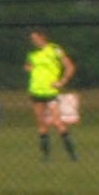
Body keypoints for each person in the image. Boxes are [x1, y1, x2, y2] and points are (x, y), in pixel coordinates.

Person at [25, 29, 76, 161]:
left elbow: (69, 66)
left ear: (43, 37)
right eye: (32, 39)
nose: (33, 41)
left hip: (50, 91)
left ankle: (72, 154)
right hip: (36, 91)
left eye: (35, 38)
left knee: (58, 122)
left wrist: (62, 81)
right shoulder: (32, 54)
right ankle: (45, 156)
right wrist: (30, 69)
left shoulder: (54, 49)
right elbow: (28, 67)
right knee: (41, 124)